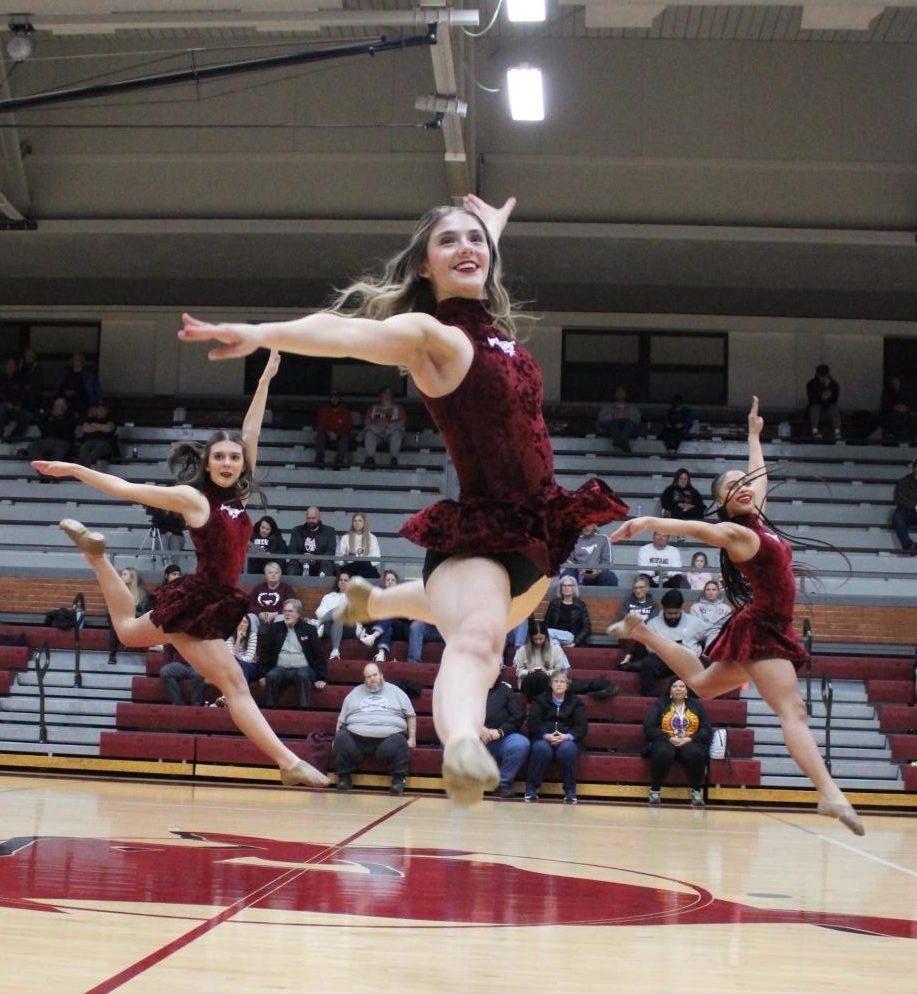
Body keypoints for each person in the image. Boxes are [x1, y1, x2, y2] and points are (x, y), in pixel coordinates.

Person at [178, 193, 627, 803]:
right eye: (448, 242)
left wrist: (487, 229)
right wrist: (261, 332)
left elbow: (475, 255)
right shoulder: (430, 337)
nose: (466, 248)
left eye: (475, 241)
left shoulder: (498, 337)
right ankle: (464, 745)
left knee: (488, 611)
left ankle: (376, 600)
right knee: (477, 639)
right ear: (422, 267)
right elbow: (343, 332)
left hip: (539, 537)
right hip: (483, 535)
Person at [32, 350, 328, 788]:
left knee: (130, 632)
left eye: (234, 457)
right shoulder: (195, 499)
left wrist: (265, 379)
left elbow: (252, 430)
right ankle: (289, 762)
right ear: (208, 463)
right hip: (201, 603)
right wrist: (76, 469)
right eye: (220, 457)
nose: (228, 462)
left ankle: (96, 557)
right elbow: (129, 488)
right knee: (235, 687)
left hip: (210, 597)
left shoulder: (239, 498)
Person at [609, 396, 864, 834]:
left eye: (743, 483)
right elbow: (697, 529)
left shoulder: (756, 519)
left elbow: (757, 479)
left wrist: (753, 435)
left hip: (763, 624)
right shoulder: (736, 533)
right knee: (794, 711)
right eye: (732, 488)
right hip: (763, 627)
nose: (743, 487)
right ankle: (828, 792)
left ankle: (644, 634)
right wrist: (651, 520)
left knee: (705, 685)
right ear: (724, 503)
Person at [333, 661, 416, 793]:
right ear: (364, 679)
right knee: (341, 737)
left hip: (388, 739)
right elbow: (341, 720)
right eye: (368, 677)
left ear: (381, 675)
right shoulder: (354, 693)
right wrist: (336, 738)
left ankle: (399, 781)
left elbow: (411, 715)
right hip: (357, 739)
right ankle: (344, 778)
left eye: (374, 675)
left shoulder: (397, 692)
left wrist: (412, 738)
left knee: (400, 742)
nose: (372, 679)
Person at [642, 678, 711, 806]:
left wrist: (690, 739)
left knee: (695, 753)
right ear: (670, 690)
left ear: (687, 690)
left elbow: (706, 729)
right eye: (675, 686)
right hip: (665, 740)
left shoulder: (696, 705)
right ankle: (655, 791)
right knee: (663, 751)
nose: (678, 689)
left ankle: (696, 792)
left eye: (681, 686)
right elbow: (649, 726)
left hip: (690, 740)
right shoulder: (660, 704)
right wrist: (669, 738)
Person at [524, 671, 587, 804]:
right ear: (551, 684)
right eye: (556, 681)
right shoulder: (539, 700)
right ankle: (531, 789)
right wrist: (545, 735)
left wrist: (567, 736)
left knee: (568, 750)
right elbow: (533, 723)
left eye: (562, 681)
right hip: (543, 738)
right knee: (540, 749)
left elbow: (581, 727)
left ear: (568, 685)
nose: (559, 684)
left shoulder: (576, 702)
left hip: (566, 739)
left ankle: (570, 791)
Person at [636, 589, 706, 697]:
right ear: (664, 610)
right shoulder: (653, 624)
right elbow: (651, 648)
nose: (673, 616)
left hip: (688, 660)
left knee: (707, 665)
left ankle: (698, 700)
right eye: (669, 613)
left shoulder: (695, 622)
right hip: (664, 661)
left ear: (681, 609)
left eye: (676, 613)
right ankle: (648, 698)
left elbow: (706, 637)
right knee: (648, 664)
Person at [261, 598, 327, 708]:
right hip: (280, 668)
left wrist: (321, 678)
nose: (287, 614)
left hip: (303, 669)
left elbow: (319, 655)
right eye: (285, 611)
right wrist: (262, 674)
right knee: (271, 676)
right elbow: (265, 652)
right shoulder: (275, 628)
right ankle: (270, 711)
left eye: (290, 611)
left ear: (298, 613)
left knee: (302, 675)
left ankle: (304, 711)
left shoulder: (309, 629)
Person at [481, 667, 530, 798]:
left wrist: (500, 731)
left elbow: (517, 717)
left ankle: (503, 784)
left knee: (520, 743)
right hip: (472, 738)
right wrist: (478, 728)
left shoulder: (505, 690)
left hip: (498, 738)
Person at [607, 574, 657, 670]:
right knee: (634, 632)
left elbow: (653, 622)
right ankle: (629, 659)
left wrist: (637, 623)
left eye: (641, 587)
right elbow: (624, 619)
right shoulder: (627, 603)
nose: (638, 590)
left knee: (639, 633)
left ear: (647, 588)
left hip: (645, 635)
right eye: (635, 588)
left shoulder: (653, 604)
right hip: (627, 634)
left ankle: (627, 658)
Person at [314, 571, 365, 661]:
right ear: (338, 582)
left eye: (346, 580)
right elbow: (319, 612)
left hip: (349, 628)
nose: (343, 582)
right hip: (329, 627)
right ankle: (335, 650)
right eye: (341, 580)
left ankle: (319, 625)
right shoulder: (329, 597)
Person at [361, 569, 410, 663]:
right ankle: (381, 653)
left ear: (396, 582)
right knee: (388, 628)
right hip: (384, 627)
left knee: (390, 614)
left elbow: (406, 616)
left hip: (399, 629)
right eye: (388, 580)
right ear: (384, 582)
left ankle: (373, 637)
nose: (390, 582)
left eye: (392, 580)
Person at [107, 566, 151, 665]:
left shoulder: (142, 593)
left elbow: (144, 612)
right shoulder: (117, 591)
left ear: (132, 578)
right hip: (121, 621)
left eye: (124, 574)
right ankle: (112, 654)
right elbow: (109, 610)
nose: (121, 576)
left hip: (136, 621)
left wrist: (131, 614)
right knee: (115, 625)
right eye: (121, 574)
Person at [362, 387, 406, 467]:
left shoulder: (398, 408)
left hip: (391, 432)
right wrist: (377, 425)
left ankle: (394, 458)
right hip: (377, 433)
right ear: (380, 396)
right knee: (369, 434)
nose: (386, 396)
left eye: (388, 394)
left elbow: (402, 422)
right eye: (384, 394)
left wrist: (388, 426)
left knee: (397, 434)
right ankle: (370, 458)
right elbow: (367, 421)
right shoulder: (373, 408)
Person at [287, 505, 337, 576]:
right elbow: (292, 550)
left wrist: (316, 559)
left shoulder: (329, 531)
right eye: (308, 518)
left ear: (319, 518)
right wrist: (300, 558)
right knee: (292, 566)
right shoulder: (297, 530)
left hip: (320, 563)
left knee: (327, 565)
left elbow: (331, 551)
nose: (311, 521)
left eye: (313, 518)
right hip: (300, 562)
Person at [543, 576, 592, 647]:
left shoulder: (580, 605)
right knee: (554, 643)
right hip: (555, 638)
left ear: (574, 588)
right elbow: (546, 623)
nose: (566, 588)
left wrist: (574, 643)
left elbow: (587, 628)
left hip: (571, 637)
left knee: (546, 632)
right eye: (564, 585)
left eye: (569, 585)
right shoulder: (554, 604)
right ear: (561, 588)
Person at [27, 397, 76, 465]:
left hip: (62, 442)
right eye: (56, 404)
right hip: (46, 440)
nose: (57, 406)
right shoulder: (48, 415)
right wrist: (49, 417)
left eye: (60, 405)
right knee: (33, 446)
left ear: (65, 406)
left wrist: (58, 418)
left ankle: (50, 472)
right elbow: (43, 428)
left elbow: (66, 431)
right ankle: (42, 468)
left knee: (59, 452)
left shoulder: (70, 416)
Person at [247, 561, 297, 627]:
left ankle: (277, 637)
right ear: (265, 574)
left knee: (281, 617)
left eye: (276, 573)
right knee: (250, 617)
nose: (273, 575)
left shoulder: (287, 589)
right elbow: (248, 605)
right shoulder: (258, 588)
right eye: (270, 572)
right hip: (259, 618)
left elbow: (293, 606)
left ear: (280, 574)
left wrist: (276, 614)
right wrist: (259, 613)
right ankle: (252, 637)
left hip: (278, 616)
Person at [595, 384, 641, 453]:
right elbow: (601, 419)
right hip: (611, 425)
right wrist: (613, 416)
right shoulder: (607, 406)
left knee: (626, 423)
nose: (620, 394)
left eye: (622, 392)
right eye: (618, 392)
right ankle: (622, 442)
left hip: (627, 426)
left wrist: (626, 416)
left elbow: (637, 420)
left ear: (625, 394)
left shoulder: (632, 408)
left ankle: (621, 440)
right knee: (616, 423)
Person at [336, 511, 382, 579]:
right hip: (350, 567)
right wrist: (345, 560)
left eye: (360, 521)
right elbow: (338, 557)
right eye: (355, 521)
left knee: (367, 568)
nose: (357, 523)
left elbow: (377, 558)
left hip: (366, 567)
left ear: (364, 523)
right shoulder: (345, 538)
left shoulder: (372, 538)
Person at [314, 390, 353, 468]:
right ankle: (319, 459)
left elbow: (347, 427)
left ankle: (339, 461)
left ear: (340, 399)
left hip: (340, 436)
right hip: (326, 435)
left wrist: (337, 434)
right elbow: (320, 425)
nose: (334, 399)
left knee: (345, 437)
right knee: (320, 435)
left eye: (336, 398)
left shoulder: (346, 413)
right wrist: (329, 432)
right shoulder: (324, 411)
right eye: (332, 397)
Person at [54, 351, 101, 416]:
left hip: (83, 400)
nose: (77, 361)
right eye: (75, 359)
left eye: (79, 359)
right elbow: (58, 387)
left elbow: (96, 391)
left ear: (82, 361)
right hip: (66, 400)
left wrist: (97, 403)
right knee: (59, 403)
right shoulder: (64, 373)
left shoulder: (89, 375)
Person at [690, 579, 733, 649]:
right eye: (708, 590)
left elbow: (727, 626)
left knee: (714, 633)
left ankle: (707, 655)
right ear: (704, 592)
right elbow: (694, 625)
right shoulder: (695, 607)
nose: (711, 592)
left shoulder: (726, 608)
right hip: (700, 633)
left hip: (717, 634)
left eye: (714, 590)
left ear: (718, 592)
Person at [806, 363, 841, 440]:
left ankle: (837, 432)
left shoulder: (834, 385)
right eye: (821, 376)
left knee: (834, 407)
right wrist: (823, 395)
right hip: (815, 412)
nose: (823, 378)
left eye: (824, 376)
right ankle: (815, 431)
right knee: (816, 407)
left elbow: (835, 399)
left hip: (828, 411)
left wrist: (828, 389)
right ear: (817, 375)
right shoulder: (811, 384)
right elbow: (812, 399)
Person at [75, 403, 118, 467]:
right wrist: (101, 427)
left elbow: (108, 428)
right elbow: (85, 429)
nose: (101, 410)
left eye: (103, 409)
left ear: (106, 411)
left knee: (100, 446)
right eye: (99, 408)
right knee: (85, 446)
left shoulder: (110, 419)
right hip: (90, 442)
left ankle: (85, 467)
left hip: (105, 444)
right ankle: (82, 468)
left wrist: (93, 425)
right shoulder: (90, 419)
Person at [891, 458, 917, 556]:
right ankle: (908, 545)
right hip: (908, 512)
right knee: (898, 517)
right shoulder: (904, 481)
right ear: (914, 468)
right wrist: (915, 506)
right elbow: (898, 499)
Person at [879, 375, 913, 444]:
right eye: (894, 382)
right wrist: (895, 407)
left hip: (903, 417)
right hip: (891, 416)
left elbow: (908, 404)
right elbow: (885, 406)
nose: (896, 384)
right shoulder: (887, 394)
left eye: (897, 382)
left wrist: (904, 408)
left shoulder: (903, 394)